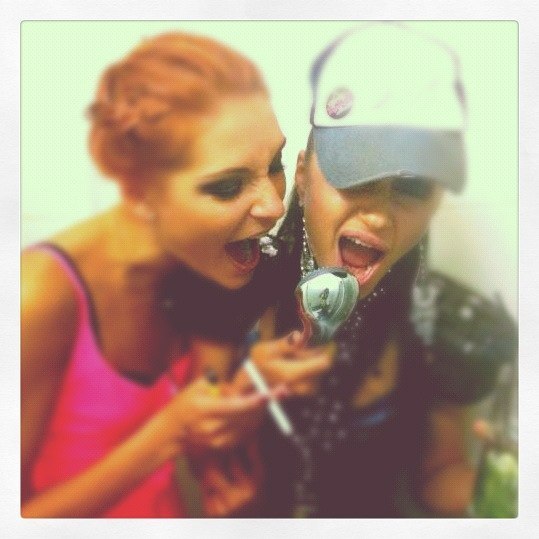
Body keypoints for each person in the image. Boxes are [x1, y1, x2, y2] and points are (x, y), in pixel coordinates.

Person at [20, 31, 334, 518]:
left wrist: (246, 389)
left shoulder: (196, 260)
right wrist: (167, 434)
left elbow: (182, 420)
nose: (275, 205)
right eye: (226, 186)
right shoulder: (39, 295)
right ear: (139, 189)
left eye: (273, 163)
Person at [254, 23, 517, 518]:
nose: (377, 216)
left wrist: (506, 486)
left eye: (411, 186)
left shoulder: (442, 327)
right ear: (303, 174)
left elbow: (440, 475)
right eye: (356, 176)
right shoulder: (234, 288)